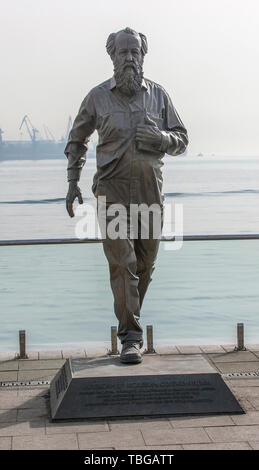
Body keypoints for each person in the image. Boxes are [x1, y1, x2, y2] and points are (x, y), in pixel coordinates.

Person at [65, 27, 188, 364]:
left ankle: (128, 322)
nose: (130, 58)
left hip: (150, 193)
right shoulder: (97, 98)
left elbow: (182, 139)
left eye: (135, 52)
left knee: (145, 266)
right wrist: (72, 181)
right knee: (124, 264)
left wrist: (161, 139)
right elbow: (77, 140)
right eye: (124, 52)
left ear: (143, 56)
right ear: (112, 57)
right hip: (112, 191)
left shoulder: (159, 96)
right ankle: (130, 337)